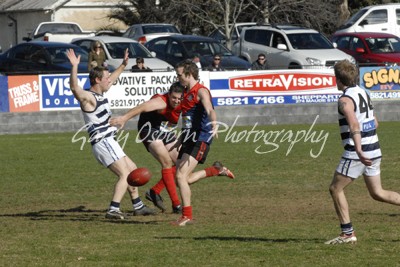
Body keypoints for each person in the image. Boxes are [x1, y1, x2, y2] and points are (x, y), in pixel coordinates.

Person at [109, 82, 234, 214]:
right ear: (169, 95)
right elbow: (143, 107)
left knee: (181, 169)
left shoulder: (185, 102)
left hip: (165, 130)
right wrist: (124, 118)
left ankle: (214, 170)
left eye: (179, 98)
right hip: (149, 130)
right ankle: (177, 205)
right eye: (173, 97)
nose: (176, 101)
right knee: (167, 163)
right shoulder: (161, 102)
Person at [66, 48, 156, 220]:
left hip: (109, 141)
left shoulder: (101, 92)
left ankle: (138, 206)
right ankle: (113, 209)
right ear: (98, 80)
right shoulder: (89, 97)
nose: (110, 81)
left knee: (133, 169)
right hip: (102, 142)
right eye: (106, 78)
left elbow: (113, 78)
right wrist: (74, 66)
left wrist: (123, 64)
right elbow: (74, 88)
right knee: (125, 174)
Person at [325, 59, 400, 244]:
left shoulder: (344, 100)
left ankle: (347, 234)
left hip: (358, 152)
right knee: (378, 193)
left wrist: (358, 149)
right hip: (374, 148)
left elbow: (354, 124)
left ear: (339, 79)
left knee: (335, 188)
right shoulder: (363, 93)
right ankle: (347, 234)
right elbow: (375, 122)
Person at [172, 59, 221, 226]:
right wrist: (180, 138)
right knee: (183, 178)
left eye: (179, 75)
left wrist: (214, 124)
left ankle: (187, 216)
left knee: (180, 176)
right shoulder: (186, 92)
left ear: (189, 74)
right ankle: (216, 170)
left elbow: (209, 109)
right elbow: (187, 119)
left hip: (200, 139)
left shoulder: (201, 91)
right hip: (188, 138)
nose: (177, 77)